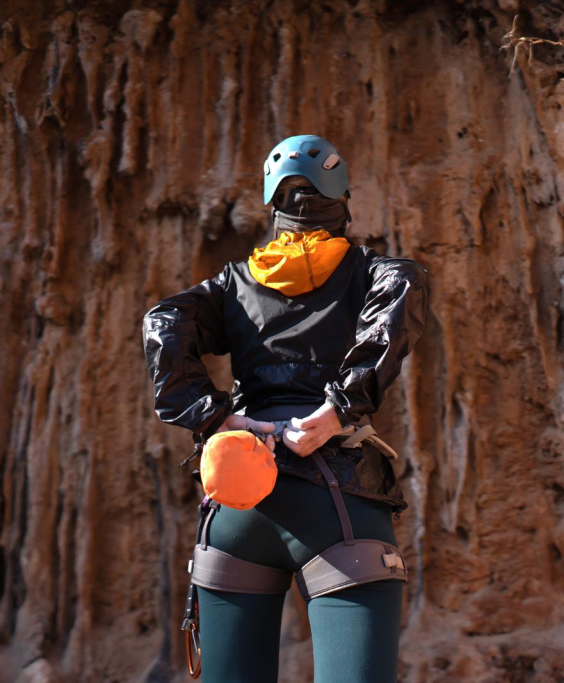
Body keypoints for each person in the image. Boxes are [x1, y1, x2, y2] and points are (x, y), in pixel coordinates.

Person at [142, 134, 429, 683]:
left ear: (273, 205)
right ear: (342, 200)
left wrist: (216, 418)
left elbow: (163, 322)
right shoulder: (376, 273)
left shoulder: (233, 283)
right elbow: (403, 294)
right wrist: (338, 411)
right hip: (337, 500)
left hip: (239, 502)